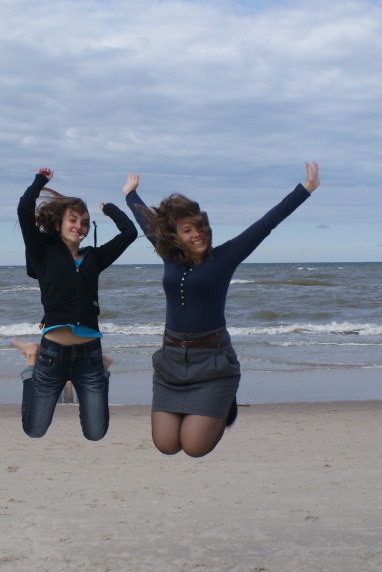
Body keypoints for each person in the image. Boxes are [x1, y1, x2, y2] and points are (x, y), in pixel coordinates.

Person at [124, 162, 320, 457]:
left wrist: (306, 189)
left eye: (201, 227)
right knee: (166, 445)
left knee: (194, 447)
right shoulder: (169, 255)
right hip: (171, 361)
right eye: (188, 230)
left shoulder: (224, 258)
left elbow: (266, 223)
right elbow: (146, 222)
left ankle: (225, 399)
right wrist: (130, 195)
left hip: (212, 362)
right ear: (175, 235)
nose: (198, 234)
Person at [17, 167, 137, 440]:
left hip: (90, 356)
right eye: (72, 220)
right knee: (34, 430)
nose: (79, 227)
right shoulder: (42, 253)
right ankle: (29, 371)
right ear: (58, 224)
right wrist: (40, 181)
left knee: (96, 433)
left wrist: (110, 209)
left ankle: (103, 373)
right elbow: (24, 209)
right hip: (52, 355)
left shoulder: (95, 258)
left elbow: (129, 233)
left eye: (84, 222)